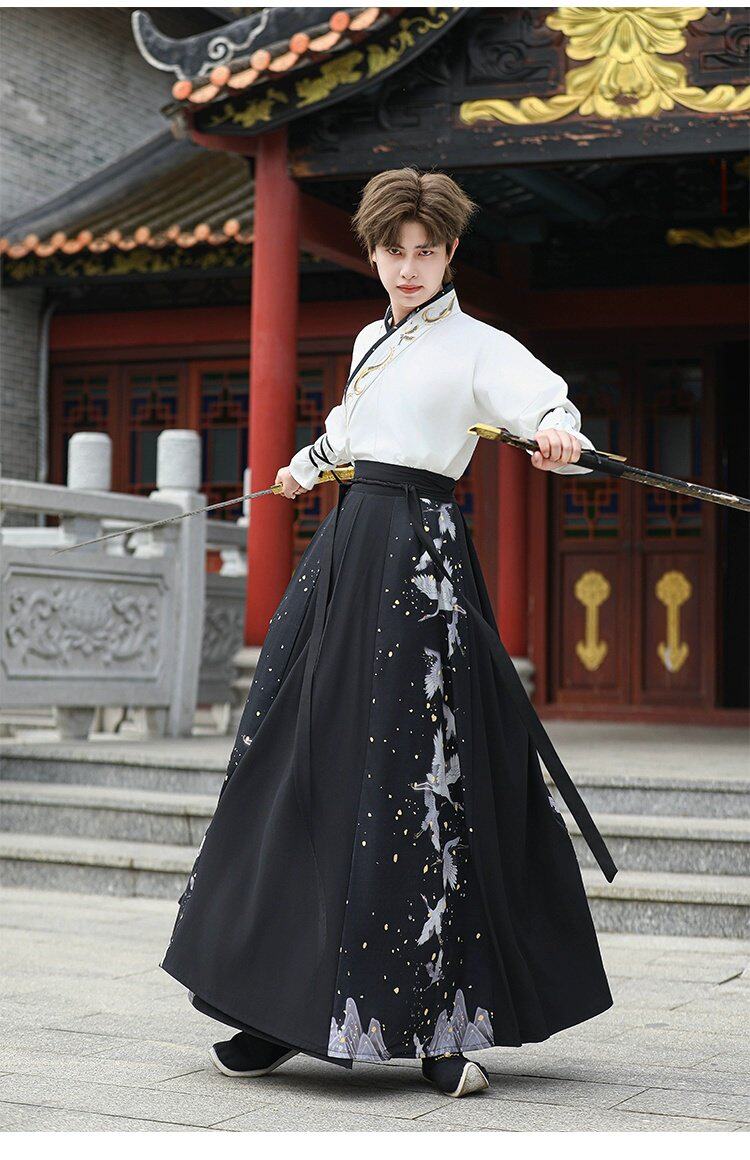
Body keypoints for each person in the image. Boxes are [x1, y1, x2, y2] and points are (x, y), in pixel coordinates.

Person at [160, 167, 617, 1101]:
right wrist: (304, 466)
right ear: (372, 254)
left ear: (450, 254)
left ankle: (444, 1028)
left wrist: (559, 434)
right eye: (393, 250)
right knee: (296, 762)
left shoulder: (482, 346)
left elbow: (544, 404)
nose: (409, 267)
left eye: (426, 251)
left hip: (419, 566)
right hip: (345, 557)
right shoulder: (373, 338)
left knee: (419, 784)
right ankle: (274, 1009)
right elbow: (352, 430)